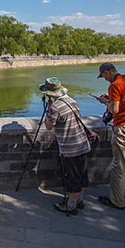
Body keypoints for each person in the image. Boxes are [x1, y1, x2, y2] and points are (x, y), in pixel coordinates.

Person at [94, 62, 125, 210]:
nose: (104, 79)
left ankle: (116, 200)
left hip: (124, 128)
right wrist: (110, 98)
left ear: (108, 72)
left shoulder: (114, 85)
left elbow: (115, 110)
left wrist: (105, 101)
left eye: (103, 75)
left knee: (119, 166)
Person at [41, 77, 90, 215]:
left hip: (70, 147)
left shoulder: (56, 107)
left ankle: (71, 205)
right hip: (82, 143)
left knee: (72, 176)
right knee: (81, 175)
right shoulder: (71, 101)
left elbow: (49, 126)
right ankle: (79, 200)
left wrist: (49, 111)